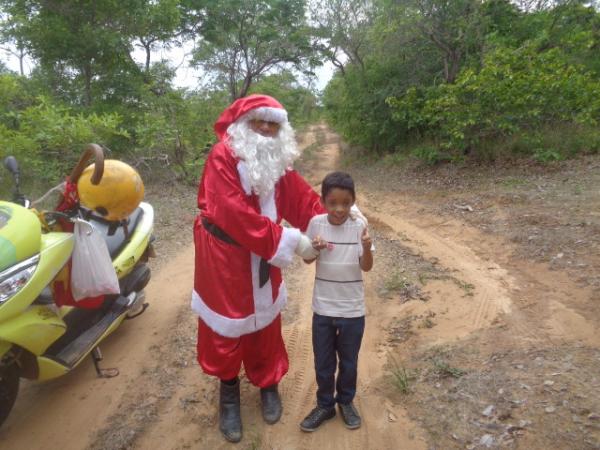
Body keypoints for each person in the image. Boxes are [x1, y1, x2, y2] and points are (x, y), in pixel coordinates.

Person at [191, 94, 324, 443]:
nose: (266, 128)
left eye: (273, 123)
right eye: (259, 121)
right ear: (242, 124)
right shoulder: (222, 157)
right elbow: (233, 214)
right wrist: (293, 241)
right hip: (225, 257)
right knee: (227, 325)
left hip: (263, 253)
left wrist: (332, 222)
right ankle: (229, 391)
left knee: (266, 321)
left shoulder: (276, 159)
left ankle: (268, 382)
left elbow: (301, 198)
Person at [299, 171, 374, 432]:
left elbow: (366, 267)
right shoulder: (317, 224)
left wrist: (366, 246)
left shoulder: (359, 226)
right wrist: (315, 248)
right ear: (323, 202)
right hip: (323, 307)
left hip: (352, 309)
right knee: (323, 362)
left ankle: (346, 401)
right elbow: (307, 259)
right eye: (333, 203)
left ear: (353, 201)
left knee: (349, 361)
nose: (339, 209)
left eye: (346, 203)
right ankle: (325, 405)